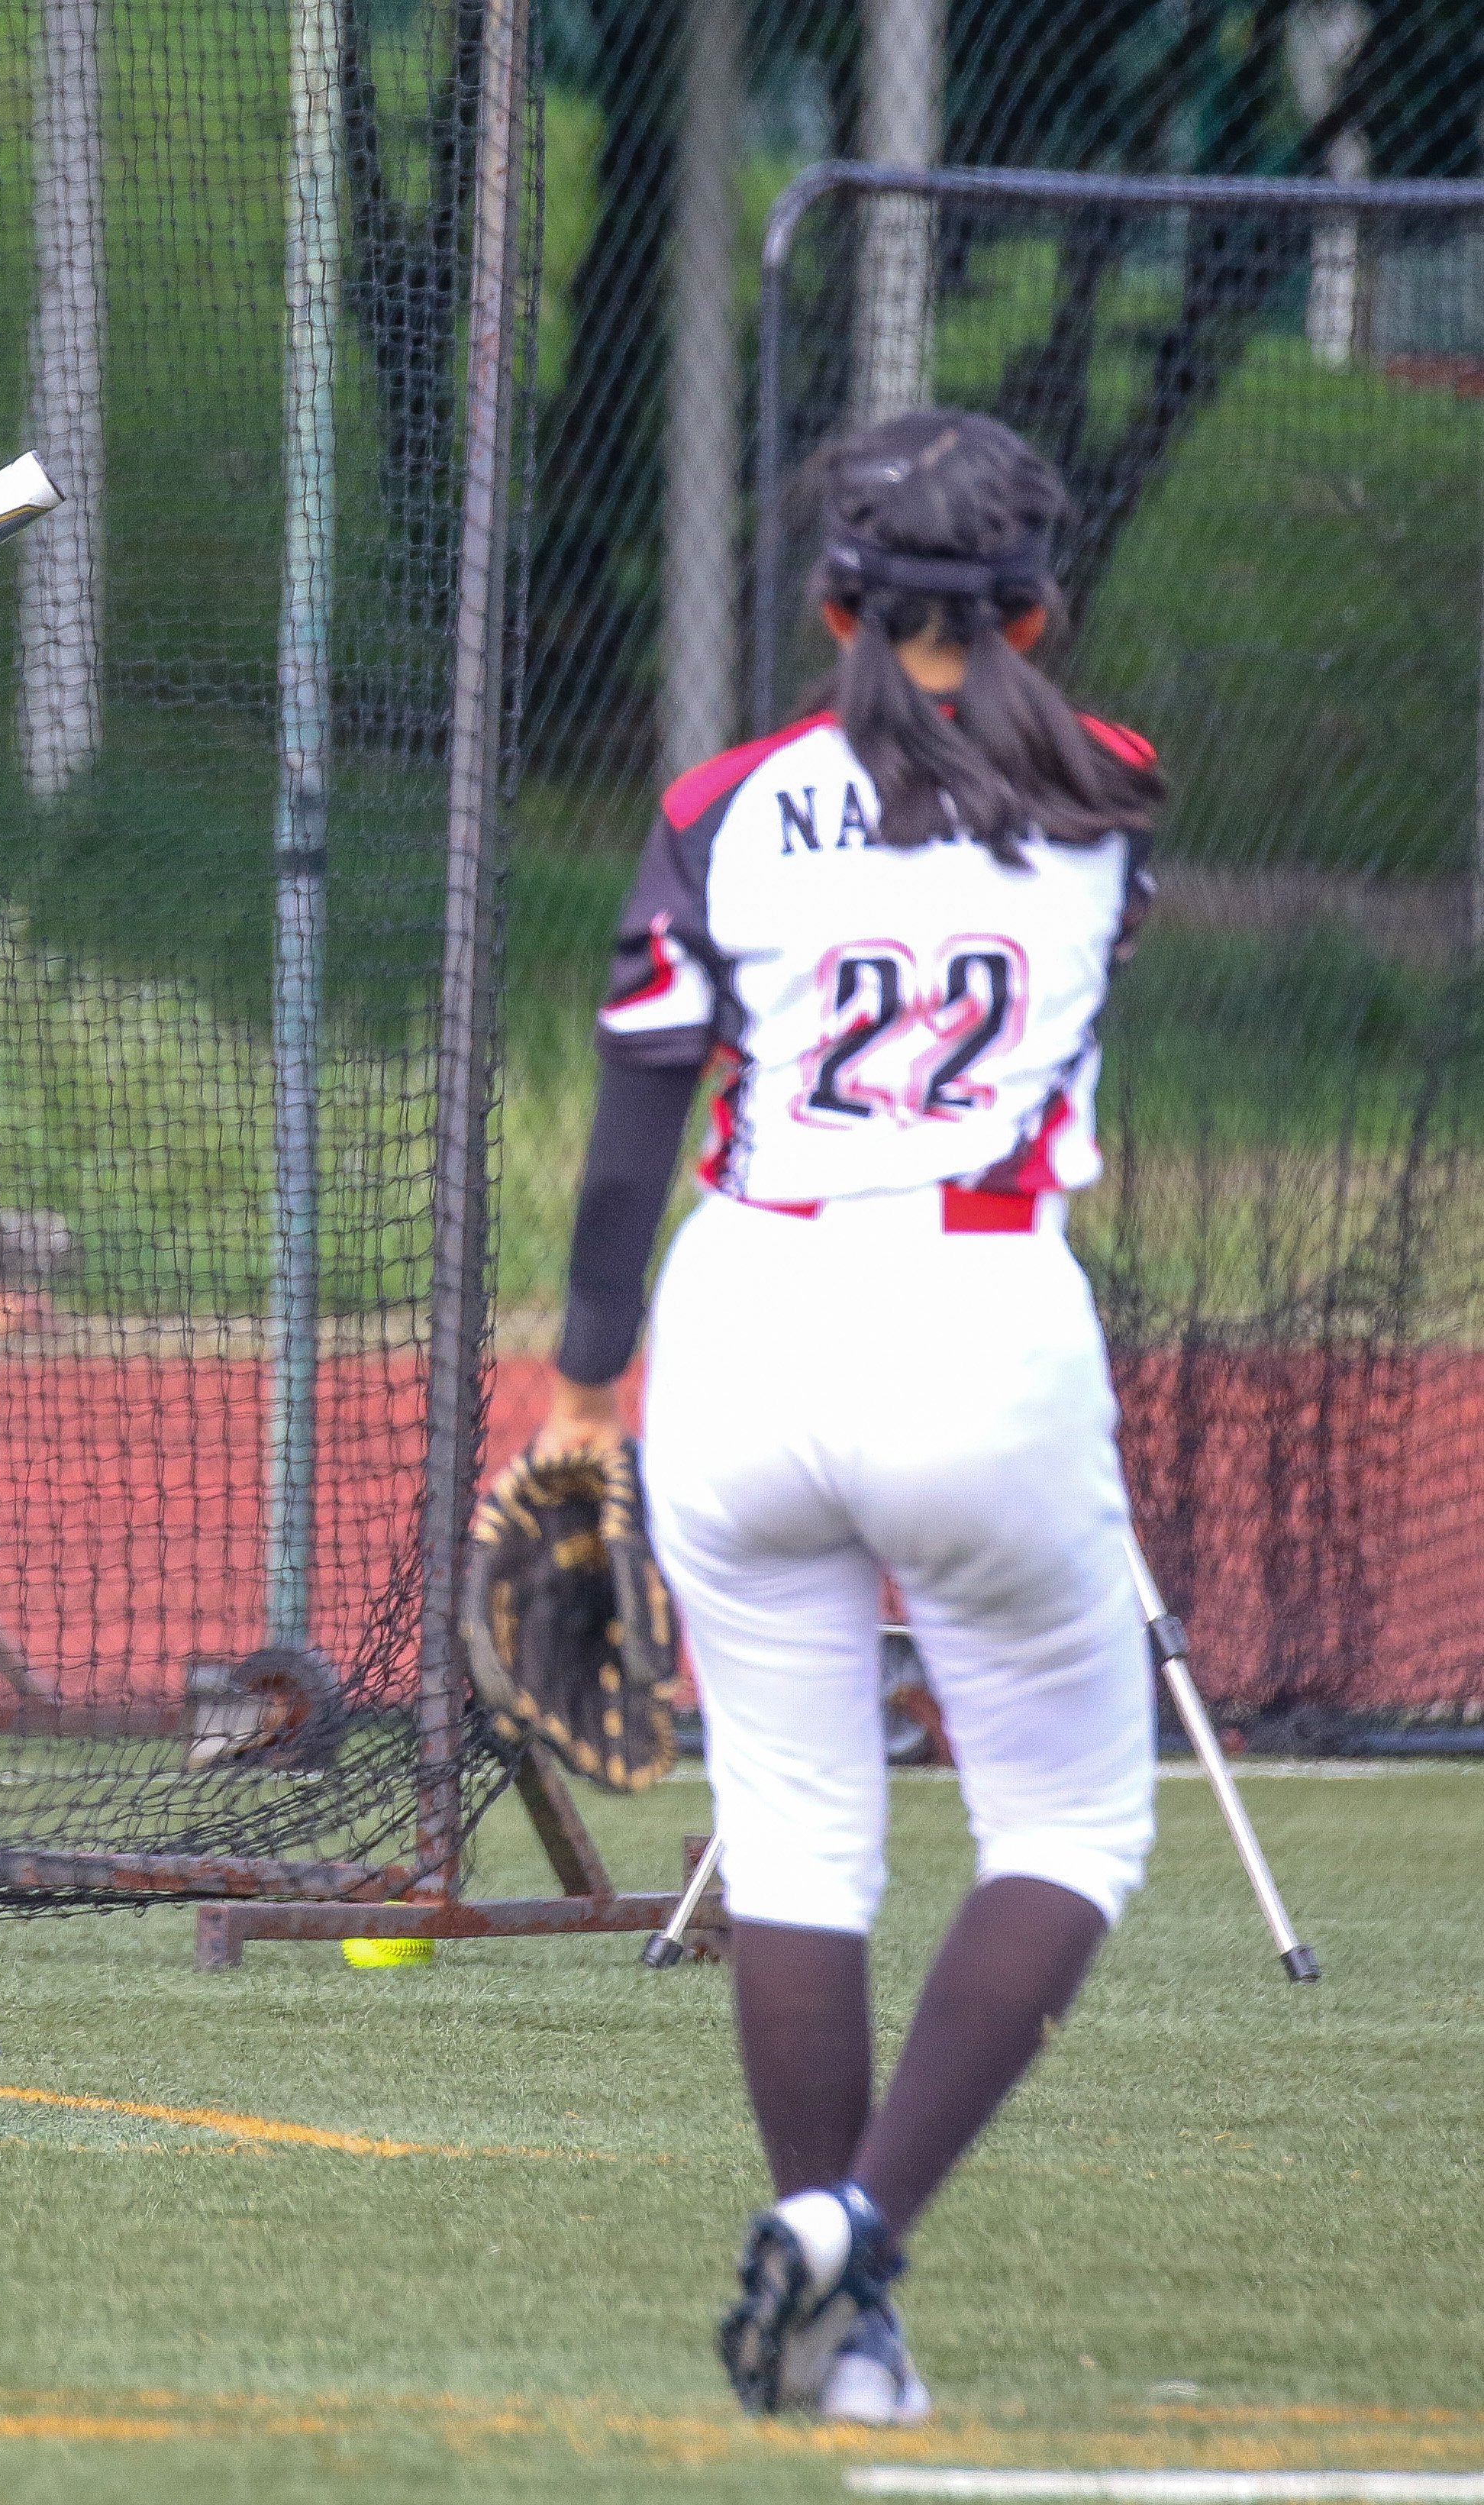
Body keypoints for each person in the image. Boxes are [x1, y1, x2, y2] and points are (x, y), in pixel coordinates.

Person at [529, 412, 1169, 2424]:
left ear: (824, 602)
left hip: (745, 1304)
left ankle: (839, 2305)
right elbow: (1022, 774)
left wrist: (574, 1382)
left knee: (797, 1830)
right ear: (1040, 605)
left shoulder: (720, 804)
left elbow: (635, 1118)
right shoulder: (1113, 791)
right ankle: (856, 2236)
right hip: (977, 1307)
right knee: (1067, 1818)